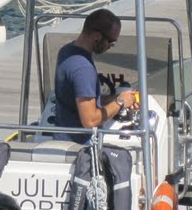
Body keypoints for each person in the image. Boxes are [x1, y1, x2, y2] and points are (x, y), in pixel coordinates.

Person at [54, 9, 138, 144]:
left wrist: (114, 99)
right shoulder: (83, 69)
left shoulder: (66, 51)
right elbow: (90, 120)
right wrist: (120, 103)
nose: (111, 46)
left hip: (61, 140)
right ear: (97, 37)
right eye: (111, 41)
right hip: (80, 150)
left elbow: (79, 100)